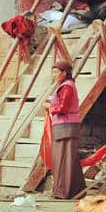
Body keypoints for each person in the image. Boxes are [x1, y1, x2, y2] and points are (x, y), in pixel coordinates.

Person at [43, 61, 86, 199]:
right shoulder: (64, 86)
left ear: (64, 73)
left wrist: (50, 107)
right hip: (65, 127)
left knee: (63, 160)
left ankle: (64, 192)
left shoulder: (67, 86)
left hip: (65, 127)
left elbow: (62, 108)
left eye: (56, 72)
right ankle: (76, 191)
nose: (54, 75)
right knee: (68, 160)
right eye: (53, 71)